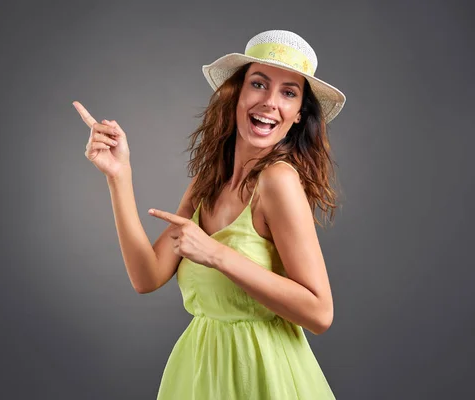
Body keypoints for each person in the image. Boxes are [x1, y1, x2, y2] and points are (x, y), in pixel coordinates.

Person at [73, 29, 346, 400]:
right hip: (200, 372)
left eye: (288, 92)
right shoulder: (210, 178)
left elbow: (319, 312)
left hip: (261, 376)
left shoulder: (278, 181)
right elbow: (147, 276)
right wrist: (119, 176)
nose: (270, 102)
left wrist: (217, 254)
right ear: (237, 93)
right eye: (259, 84)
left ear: (299, 115)